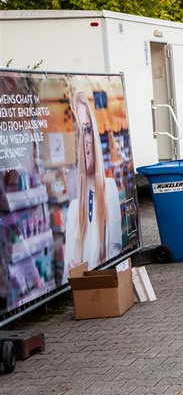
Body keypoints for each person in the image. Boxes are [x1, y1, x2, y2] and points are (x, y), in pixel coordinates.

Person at [64, 90, 122, 281]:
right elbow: (68, 271)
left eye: (87, 129)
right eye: (79, 131)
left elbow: (115, 249)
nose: (85, 141)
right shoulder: (74, 209)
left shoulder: (109, 188)